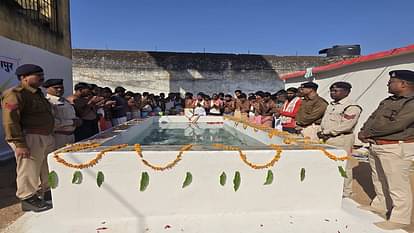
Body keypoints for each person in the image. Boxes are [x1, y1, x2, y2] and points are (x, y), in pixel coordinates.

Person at [358, 70, 414, 230]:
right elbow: (372, 118)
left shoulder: (411, 102)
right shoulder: (387, 101)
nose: (388, 84)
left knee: (397, 185)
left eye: (391, 82)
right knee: (378, 178)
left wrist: (368, 133)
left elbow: (397, 124)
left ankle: (400, 218)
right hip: (377, 144)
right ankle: (381, 205)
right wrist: (363, 132)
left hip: (396, 147)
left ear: (403, 84)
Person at [1, 64, 54, 212]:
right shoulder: (14, 94)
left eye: (42, 73)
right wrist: (19, 144)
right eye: (37, 74)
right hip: (29, 137)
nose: (41, 77)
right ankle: (27, 198)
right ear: (23, 78)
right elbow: (10, 120)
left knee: (45, 168)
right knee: (28, 168)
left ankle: (46, 192)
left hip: (45, 136)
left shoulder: (38, 93)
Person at [317, 82, 362, 198]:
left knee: (344, 165)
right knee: (329, 163)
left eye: (336, 91)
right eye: (331, 91)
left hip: (341, 138)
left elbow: (346, 125)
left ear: (346, 92)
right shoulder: (331, 105)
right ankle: (331, 186)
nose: (332, 93)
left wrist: (327, 133)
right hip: (327, 138)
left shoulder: (351, 107)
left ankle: (346, 192)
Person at [43, 79, 82, 149]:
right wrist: (72, 122)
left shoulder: (65, 101)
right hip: (57, 137)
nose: (59, 89)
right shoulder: (48, 102)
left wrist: (77, 120)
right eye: (56, 88)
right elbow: (51, 122)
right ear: (47, 89)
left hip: (70, 136)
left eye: (61, 87)